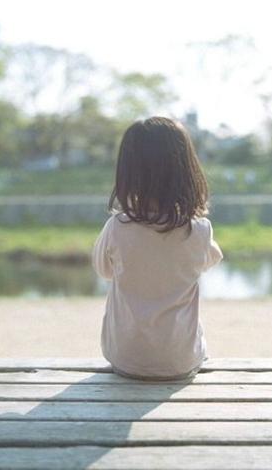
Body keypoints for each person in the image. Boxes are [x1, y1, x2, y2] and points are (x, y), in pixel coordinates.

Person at [92, 116, 223, 381]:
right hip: (181, 361)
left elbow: (103, 270)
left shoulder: (117, 227)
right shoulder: (199, 230)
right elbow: (212, 259)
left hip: (124, 359)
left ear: (128, 173)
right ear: (187, 171)